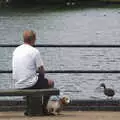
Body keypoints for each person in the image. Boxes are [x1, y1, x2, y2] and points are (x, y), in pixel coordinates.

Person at [12, 30, 54, 115]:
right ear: (33, 39)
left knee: (30, 80)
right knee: (50, 83)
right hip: (29, 84)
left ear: (24, 39)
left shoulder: (16, 50)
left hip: (17, 83)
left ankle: (29, 109)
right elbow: (41, 70)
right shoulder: (34, 51)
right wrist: (42, 78)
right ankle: (44, 108)